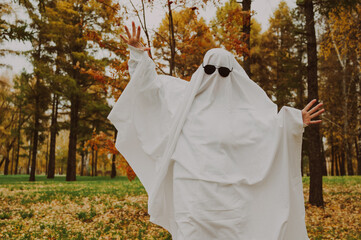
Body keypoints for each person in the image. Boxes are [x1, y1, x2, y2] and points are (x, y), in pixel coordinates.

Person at [108, 22, 324, 240]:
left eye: (223, 71)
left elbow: (270, 132)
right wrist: (138, 55)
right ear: (202, 70)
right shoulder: (182, 99)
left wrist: (295, 121)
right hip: (191, 199)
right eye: (210, 70)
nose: (215, 76)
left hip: (231, 203)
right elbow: (149, 91)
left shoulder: (245, 112)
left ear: (233, 74)